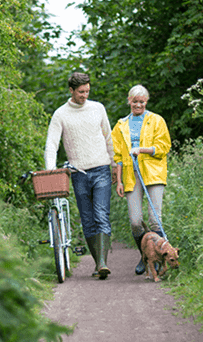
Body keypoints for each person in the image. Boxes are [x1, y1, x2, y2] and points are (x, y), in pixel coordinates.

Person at [44, 72, 115, 279]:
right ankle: (97, 262)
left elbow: (108, 137)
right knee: (87, 219)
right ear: (71, 91)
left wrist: (114, 164)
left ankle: (102, 263)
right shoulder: (60, 114)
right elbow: (51, 145)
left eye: (87, 91)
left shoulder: (98, 108)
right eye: (81, 92)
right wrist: (50, 171)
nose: (84, 95)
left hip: (101, 168)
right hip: (78, 173)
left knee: (101, 214)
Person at [111, 84, 172, 275]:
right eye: (135, 101)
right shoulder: (121, 125)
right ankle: (145, 256)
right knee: (136, 221)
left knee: (155, 220)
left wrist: (142, 150)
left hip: (153, 173)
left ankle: (160, 259)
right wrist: (119, 181)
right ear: (129, 101)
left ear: (146, 102)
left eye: (142, 102)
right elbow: (119, 157)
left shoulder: (156, 120)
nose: (138, 105)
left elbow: (164, 147)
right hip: (131, 175)